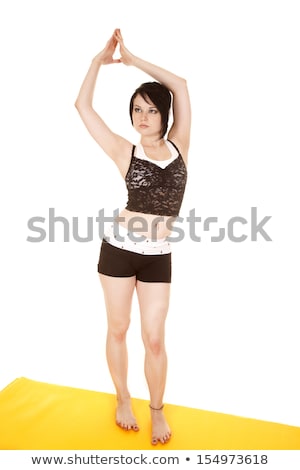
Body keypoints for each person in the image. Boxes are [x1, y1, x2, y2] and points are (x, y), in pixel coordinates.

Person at [75, 28, 191, 445]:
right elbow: (83, 107)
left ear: (164, 115)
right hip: (119, 251)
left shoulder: (180, 146)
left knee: (155, 337)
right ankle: (123, 398)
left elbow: (179, 85)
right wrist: (96, 63)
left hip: (158, 253)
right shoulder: (125, 151)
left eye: (150, 110)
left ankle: (156, 410)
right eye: (136, 110)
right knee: (119, 328)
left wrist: (132, 58)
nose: (142, 117)